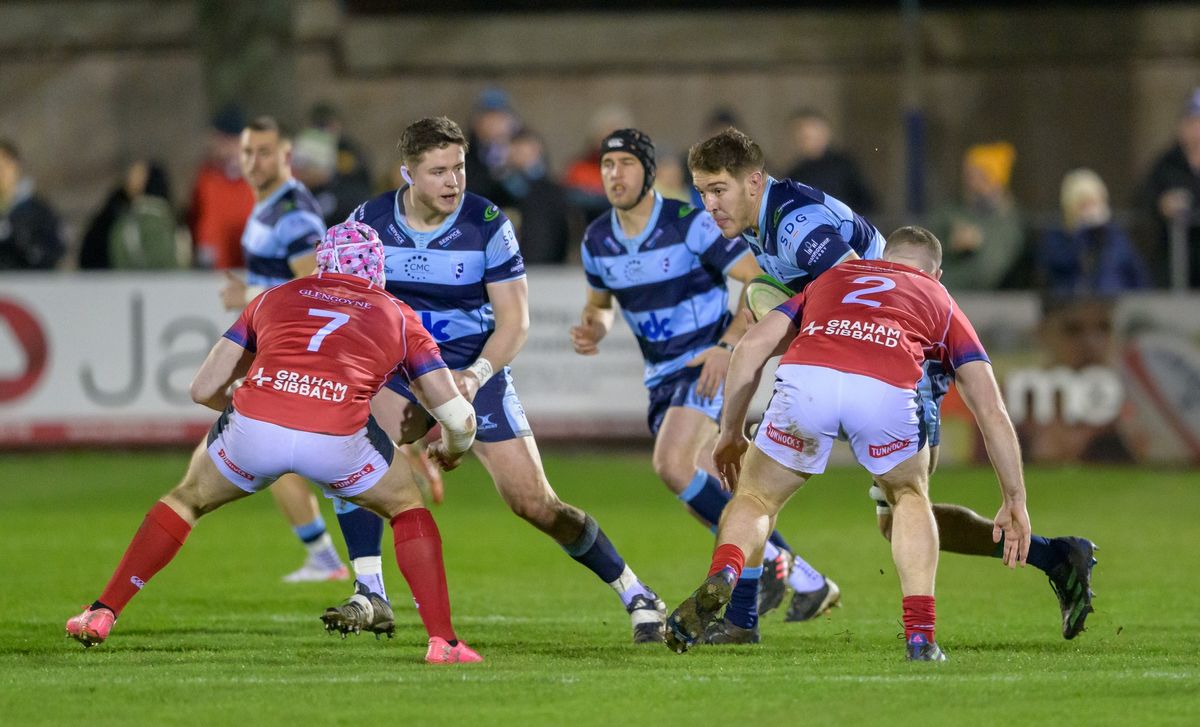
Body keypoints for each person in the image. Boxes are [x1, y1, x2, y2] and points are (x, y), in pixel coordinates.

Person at [688, 129, 1097, 641]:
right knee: (891, 509)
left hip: (900, 362)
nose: (709, 204)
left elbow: (855, 293)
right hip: (866, 360)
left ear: (753, 182)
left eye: (717, 190)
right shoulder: (759, 217)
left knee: (893, 500)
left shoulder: (797, 225)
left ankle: (1047, 559)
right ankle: (1054, 557)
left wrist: (779, 338)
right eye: (702, 191)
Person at [66, 222, 483, 664]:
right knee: (406, 506)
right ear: (378, 267)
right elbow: (456, 415)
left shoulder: (273, 297)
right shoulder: (398, 314)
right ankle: (443, 642)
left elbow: (202, 388)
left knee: (187, 499)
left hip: (254, 428)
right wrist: (452, 450)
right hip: (336, 439)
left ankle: (102, 611)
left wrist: (258, 404)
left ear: (323, 260)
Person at [345, 116, 667, 644]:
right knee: (348, 446)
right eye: (438, 172)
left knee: (533, 502)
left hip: (474, 373)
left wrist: (473, 377)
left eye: (459, 168)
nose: (453, 182)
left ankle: (635, 591)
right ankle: (370, 589)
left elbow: (515, 323)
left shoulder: (487, 222)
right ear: (406, 173)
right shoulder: (370, 221)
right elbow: (354, 306)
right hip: (401, 373)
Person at [665, 227, 1032, 661]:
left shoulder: (832, 279)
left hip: (810, 377)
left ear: (885, 256)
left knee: (755, 498)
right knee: (908, 495)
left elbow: (751, 349)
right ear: (937, 272)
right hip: (885, 388)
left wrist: (730, 433)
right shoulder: (940, 299)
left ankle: (725, 570)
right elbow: (990, 409)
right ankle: (920, 637)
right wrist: (1014, 498)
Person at [570, 128, 839, 646]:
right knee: (706, 485)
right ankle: (801, 576)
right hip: (660, 376)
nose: (614, 174)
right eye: (607, 165)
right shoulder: (597, 239)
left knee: (672, 464)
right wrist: (593, 329)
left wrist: (728, 344)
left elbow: (759, 281)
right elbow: (600, 304)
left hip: (705, 363)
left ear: (648, 171)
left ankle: (779, 575)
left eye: (626, 163)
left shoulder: (689, 224)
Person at [216, 116, 352, 587]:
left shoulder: (294, 212)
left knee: (273, 451)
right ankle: (325, 555)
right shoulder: (268, 206)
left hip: (291, 352)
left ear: (287, 155)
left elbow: (312, 289)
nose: (254, 161)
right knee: (276, 453)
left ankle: (331, 555)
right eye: (248, 151)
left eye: (265, 152)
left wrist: (249, 293)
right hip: (275, 346)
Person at [927, 142, 1025, 290]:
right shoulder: (949, 212)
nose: (973, 183)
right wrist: (948, 244)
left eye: (982, 177)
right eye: (969, 175)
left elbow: (995, 267)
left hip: (991, 300)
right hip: (947, 293)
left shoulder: (1010, 221)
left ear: (997, 181)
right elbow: (922, 244)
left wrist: (980, 241)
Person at [1040, 168, 1149, 296]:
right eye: (1084, 205)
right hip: (1072, 307)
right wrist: (1082, 234)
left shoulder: (1116, 237)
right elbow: (1059, 267)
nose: (1091, 211)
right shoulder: (1057, 236)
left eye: (1096, 203)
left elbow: (1138, 277)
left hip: (1114, 306)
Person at [1141, 86, 1200, 287]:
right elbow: (1143, 198)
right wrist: (1162, 204)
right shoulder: (1167, 163)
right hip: (1175, 261)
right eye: (1193, 122)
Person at [79, 160, 180, 270]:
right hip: (107, 276)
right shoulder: (118, 209)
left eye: (138, 176)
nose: (129, 180)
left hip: (132, 280)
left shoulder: (150, 217)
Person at [187, 104, 254, 270]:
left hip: (246, 267)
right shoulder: (206, 176)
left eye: (219, 139)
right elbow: (194, 216)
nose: (213, 144)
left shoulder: (256, 178)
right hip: (210, 267)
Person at [783, 108, 876, 216]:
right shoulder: (795, 174)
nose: (806, 141)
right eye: (801, 137)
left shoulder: (843, 166)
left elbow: (866, 204)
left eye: (809, 136)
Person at [0, 139, 65, 270]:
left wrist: (29, 249)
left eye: (4, 166)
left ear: (16, 166)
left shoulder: (39, 212)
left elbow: (55, 251)